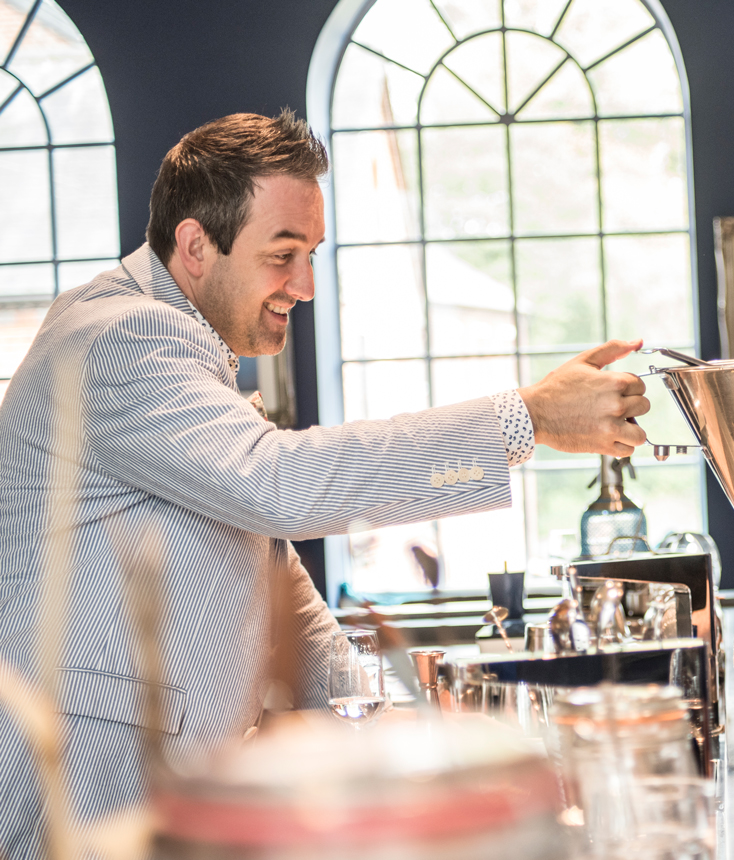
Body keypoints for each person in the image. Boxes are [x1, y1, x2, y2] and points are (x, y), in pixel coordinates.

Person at [0, 111, 650, 858]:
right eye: (283, 255)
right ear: (194, 246)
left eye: (310, 253)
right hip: (81, 788)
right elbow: (283, 486)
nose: (304, 285)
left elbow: (269, 568)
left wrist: (407, 731)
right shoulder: (122, 338)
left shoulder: (185, 349)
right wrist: (523, 419)